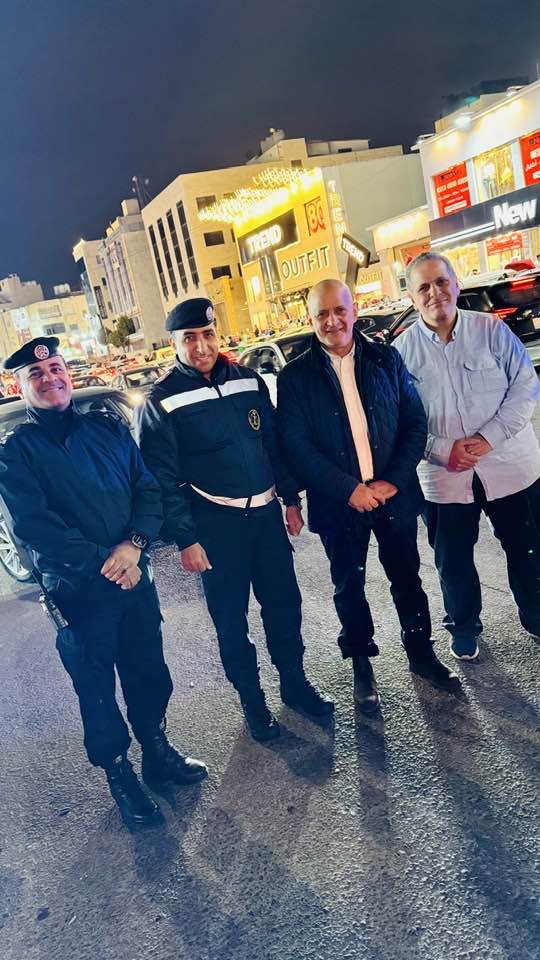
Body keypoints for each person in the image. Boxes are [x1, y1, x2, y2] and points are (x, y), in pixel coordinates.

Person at [0, 337, 207, 829]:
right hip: (79, 593)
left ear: (66, 373)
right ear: (19, 386)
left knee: (149, 672)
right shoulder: (16, 452)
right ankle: (120, 776)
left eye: (55, 368)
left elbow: (146, 489)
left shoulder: (107, 429)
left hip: (134, 579)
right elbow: (37, 528)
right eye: (36, 374)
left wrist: (133, 547)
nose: (50, 378)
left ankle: (156, 752)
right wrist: (111, 562)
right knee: (96, 691)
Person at [135, 298, 333, 743]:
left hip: (265, 518)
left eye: (208, 335)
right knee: (231, 621)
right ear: (174, 343)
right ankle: (252, 700)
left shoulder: (247, 380)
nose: (201, 346)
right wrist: (186, 538)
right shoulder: (161, 400)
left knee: (284, 606)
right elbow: (160, 478)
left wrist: (291, 499)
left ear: (217, 335)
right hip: (215, 527)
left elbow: (274, 445)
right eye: (190, 338)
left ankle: (294, 683)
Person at [277, 279, 455, 714]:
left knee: (407, 579)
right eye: (322, 314)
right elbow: (296, 446)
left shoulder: (385, 359)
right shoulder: (295, 377)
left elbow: (414, 423)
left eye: (339, 310)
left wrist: (392, 481)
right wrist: (349, 489)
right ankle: (361, 665)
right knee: (349, 586)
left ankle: (421, 653)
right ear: (310, 319)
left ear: (354, 311)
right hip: (338, 503)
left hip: (393, 495)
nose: (332, 321)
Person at [394, 252, 540, 660]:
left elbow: (525, 386)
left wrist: (488, 439)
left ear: (455, 284)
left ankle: (535, 614)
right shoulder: (401, 353)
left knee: (528, 548)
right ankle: (463, 625)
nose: (435, 293)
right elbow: (399, 420)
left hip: (511, 465)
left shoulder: (491, 330)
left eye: (441, 282)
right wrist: (442, 449)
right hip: (443, 476)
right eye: (423, 287)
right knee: (452, 560)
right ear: (411, 297)